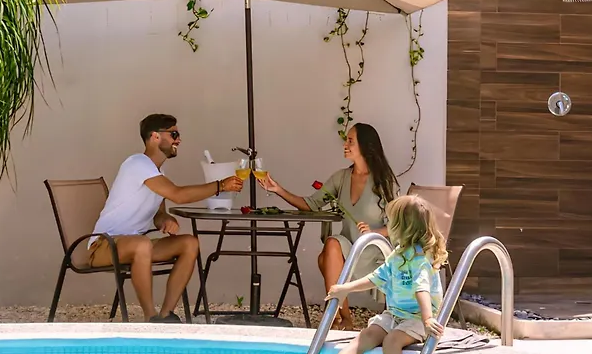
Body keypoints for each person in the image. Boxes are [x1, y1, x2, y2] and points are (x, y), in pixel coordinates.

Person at [88, 113, 243, 323]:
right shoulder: (137, 163)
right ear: (155, 136)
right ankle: (150, 317)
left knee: (189, 243)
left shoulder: (157, 171)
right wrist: (220, 186)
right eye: (174, 134)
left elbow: (158, 213)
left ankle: (166, 313)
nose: (179, 140)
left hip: (136, 244)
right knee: (142, 245)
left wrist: (165, 219)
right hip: (103, 245)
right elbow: (177, 195)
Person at [259, 123, 399, 330]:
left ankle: (336, 318)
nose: (345, 145)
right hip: (345, 249)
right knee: (332, 244)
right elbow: (311, 204)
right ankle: (343, 317)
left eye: (350, 141)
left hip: (373, 250)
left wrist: (374, 232)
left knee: (326, 257)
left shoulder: (383, 181)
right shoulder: (341, 178)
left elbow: (398, 224)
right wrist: (278, 189)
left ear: (365, 146)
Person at [305, 195, 447, 354]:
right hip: (395, 314)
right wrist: (345, 289)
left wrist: (428, 319)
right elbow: (376, 277)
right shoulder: (398, 254)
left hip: (418, 319)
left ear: (402, 227)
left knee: (392, 341)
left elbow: (422, 289)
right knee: (366, 335)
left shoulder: (420, 259)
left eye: (391, 222)